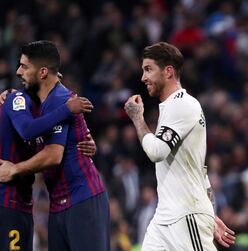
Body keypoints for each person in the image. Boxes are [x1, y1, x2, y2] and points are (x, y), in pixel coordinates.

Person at [124, 42, 235, 250]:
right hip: (165, 218)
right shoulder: (170, 108)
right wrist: (210, 213)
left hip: (186, 215)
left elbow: (157, 152)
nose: (143, 77)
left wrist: (138, 119)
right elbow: (200, 170)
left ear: (168, 72)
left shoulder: (183, 104)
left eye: (148, 69)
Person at [0, 40, 109, 251]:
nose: (18, 72)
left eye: (24, 66)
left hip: (82, 198)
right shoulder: (39, 103)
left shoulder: (59, 100)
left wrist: (15, 169)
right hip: (58, 204)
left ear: (42, 72)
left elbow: (53, 156)